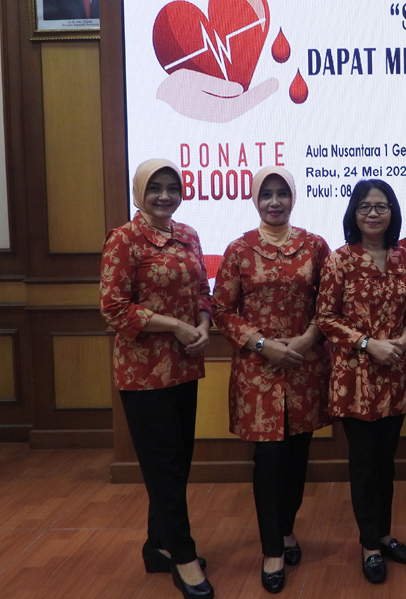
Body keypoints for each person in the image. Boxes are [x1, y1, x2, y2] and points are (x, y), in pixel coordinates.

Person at [212, 166, 332, 594]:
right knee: (268, 460)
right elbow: (222, 310)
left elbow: (330, 305)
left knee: (297, 457)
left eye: (283, 193)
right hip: (257, 371)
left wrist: (304, 341)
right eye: (267, 194)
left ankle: (286, 528)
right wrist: (263, 344)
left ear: (293, 198)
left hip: (304, 366)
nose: (275, 201)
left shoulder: (315, 246)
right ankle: (272, 550)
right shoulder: (238, 250)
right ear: (255, 199)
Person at [100, 159, 213, 599]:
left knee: (176, 462)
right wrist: (176, 325)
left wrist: (202, 323)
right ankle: (183, 557)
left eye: (172, 187)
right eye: (155, 188)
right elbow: (114, 308)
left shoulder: (188, 234)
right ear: (139, 193)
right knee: (163, 465)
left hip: (185, 365)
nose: (164, 196)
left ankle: (158, 545)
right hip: (144, 373)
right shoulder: (124, 239)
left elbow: (202, 291)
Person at [315, 179, 406, 584]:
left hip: (396, 373)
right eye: (365, 206)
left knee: (386, 462)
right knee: (364, 464)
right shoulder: (340, 260)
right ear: (354, 214)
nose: (374, 213)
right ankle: (369, 545)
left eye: (381, 206)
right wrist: (368, 344)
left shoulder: (403, 257)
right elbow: (326, 318)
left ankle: (383, 533)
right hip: (356, 378)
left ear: (393, 212)